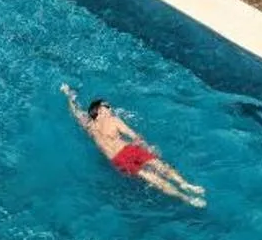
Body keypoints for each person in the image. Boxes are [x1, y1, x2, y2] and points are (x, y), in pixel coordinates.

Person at [62, 84, 206, 207]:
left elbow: (133, 135)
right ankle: (185, 197)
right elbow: (75, 111)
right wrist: (68, 95)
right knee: (152, 176)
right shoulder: (96, 124)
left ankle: (185, 185)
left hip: (124, 153)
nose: (111, 108)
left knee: (158, 167)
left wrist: (145, 146)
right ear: (99, 109)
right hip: (120, 158)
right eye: (107, 106)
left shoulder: (96, 124)